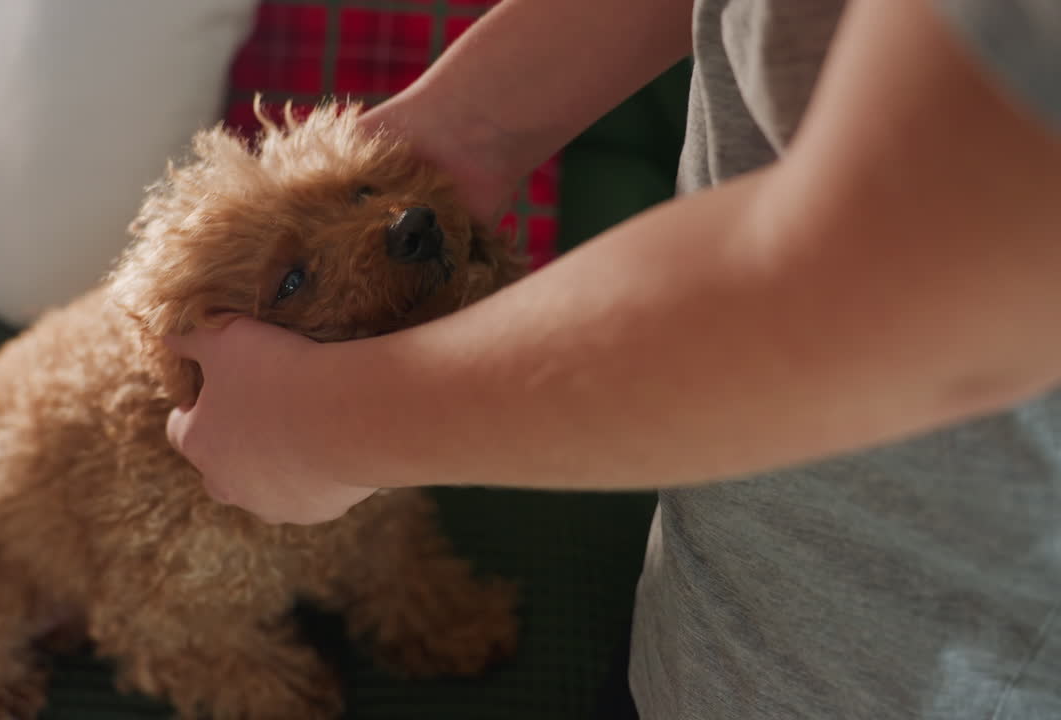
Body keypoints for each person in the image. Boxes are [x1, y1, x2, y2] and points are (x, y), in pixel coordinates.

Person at [164, 0, 1061, 717]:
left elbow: (887, 279)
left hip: (915, 662)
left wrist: (331, 428)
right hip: (724, 620)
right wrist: (470, 127)